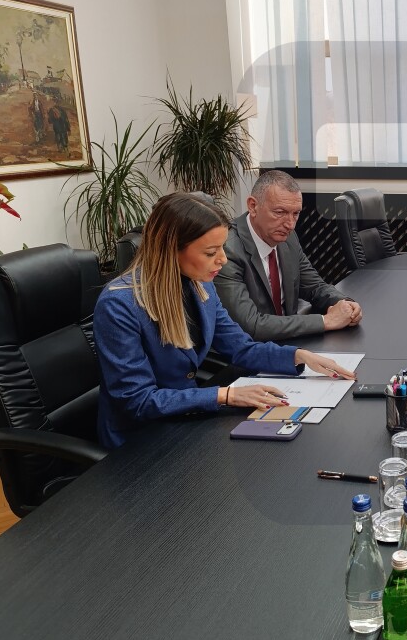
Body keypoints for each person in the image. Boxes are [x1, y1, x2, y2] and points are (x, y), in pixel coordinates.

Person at [94, 192, 356, 449]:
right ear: (171, 250)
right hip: (138, 442)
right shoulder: (119, 305)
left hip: (183, 424)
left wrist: (299, 357)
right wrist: (226, 394)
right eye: (210, 252)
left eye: (222, 247)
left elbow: (240, 347)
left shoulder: (200, 286)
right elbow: (137, 400)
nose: (223, 259)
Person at [216, 170, 362, 340]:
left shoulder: (287, 238)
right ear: (253, 206)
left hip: (290, 341)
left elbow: (315, 286)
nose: (290, 224)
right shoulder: (226, 250)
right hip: (251, 348)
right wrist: (325, 321)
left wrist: (344, 304)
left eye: (296, 214)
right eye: (280, 212)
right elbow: (250, 325)